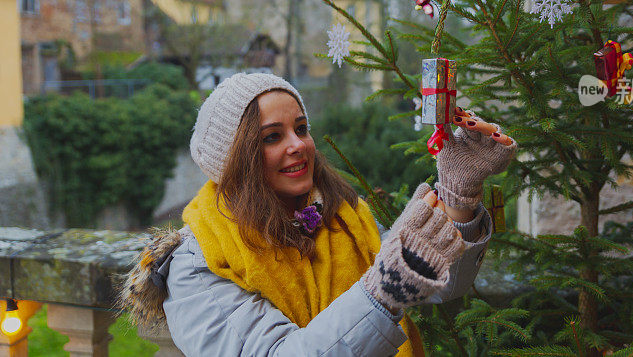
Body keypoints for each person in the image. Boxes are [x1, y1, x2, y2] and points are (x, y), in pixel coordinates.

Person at [121, 72, 516, 356]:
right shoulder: (198, 263)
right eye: (272, 137)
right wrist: (381, 292)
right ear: (233, 159)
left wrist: (458, 192)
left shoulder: (343, 215)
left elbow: (444, 285)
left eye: (301, 128)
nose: (298, 145)